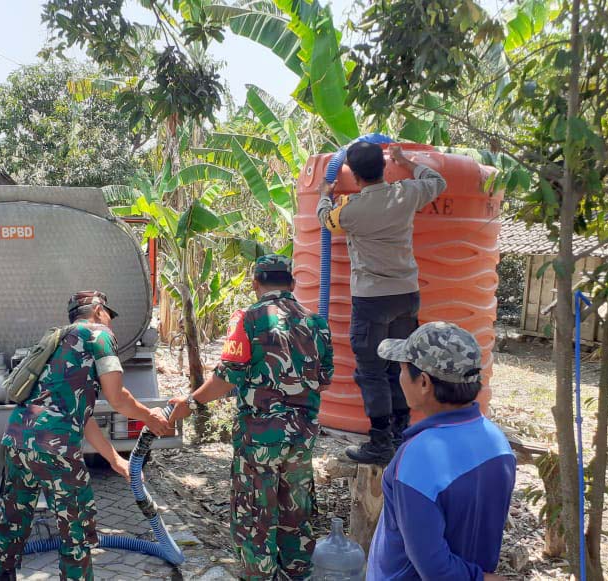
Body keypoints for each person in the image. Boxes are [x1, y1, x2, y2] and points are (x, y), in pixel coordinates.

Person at [168, 255, 334, 580]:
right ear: (293, 283)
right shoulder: (317, 322)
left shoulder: (248, 319)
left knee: (256, 518)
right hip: (302, 436)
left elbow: (227, 377)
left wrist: (192, 400)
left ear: (256, 284)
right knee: (296, 516)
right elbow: (324, 378)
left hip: (259, 438)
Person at [0, 290, 173, 581]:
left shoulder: (61, 339)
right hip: (56, 447)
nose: (110, 324)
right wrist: (150, 416)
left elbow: (81, 416)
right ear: (98, 310)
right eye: (108, 316)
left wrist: (115, 460)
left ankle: (2, 576)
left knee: (14, 519)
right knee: (75, 530)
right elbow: (118, 397)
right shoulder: (99, 336)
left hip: (18, 438)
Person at [316, 142, 448, 464]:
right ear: (385, 168)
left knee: (371, 370)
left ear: (356, 176)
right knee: (401, 363)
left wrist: (324, 192)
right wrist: (409, 162)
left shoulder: (351, 210)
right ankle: (403, 433)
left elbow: (323, 219)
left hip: (373, 299)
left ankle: (379, 442)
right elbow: (438, 183)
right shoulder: (406, 194)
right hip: (406, 294)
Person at [368, 322, 515, 581]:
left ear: (423, 382)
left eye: (402, 370)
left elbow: (434, 568)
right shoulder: (497, 442)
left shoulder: (419, 457)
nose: (400, 378)